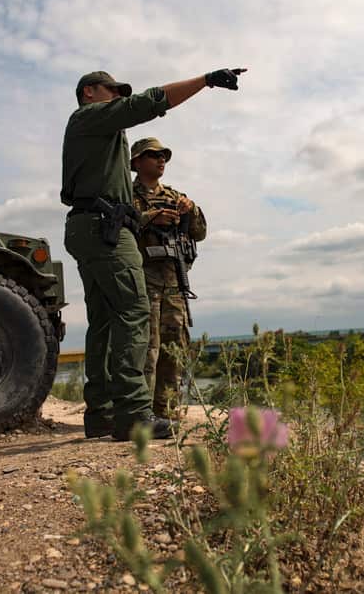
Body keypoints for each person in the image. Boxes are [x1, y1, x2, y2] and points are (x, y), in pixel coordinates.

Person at [62, 67, 245, 441]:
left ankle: (102, 414)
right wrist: (204, 81)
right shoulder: (89, 116)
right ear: (89, 92)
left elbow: (198, 230)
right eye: (112, 92)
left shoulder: (99, 136)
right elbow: (148, 103)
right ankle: (132, 414)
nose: (117, 99)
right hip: (105, 228)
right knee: (133, 312)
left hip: (95, 226)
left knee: (103, 321)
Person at [131, 138, 206, 418]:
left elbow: (199, 233)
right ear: (137, 162)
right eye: (153, 155)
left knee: (174, 347)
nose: (161, 160)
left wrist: (192, 209)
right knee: (146, 348)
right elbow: (119, 227)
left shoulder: (175, 196)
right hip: (143, 279)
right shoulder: (128, 196)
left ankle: (167, 410)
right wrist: (151, 218)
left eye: (164, 156)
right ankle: (140, 412)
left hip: (173, 280)